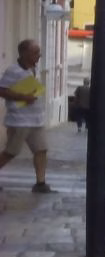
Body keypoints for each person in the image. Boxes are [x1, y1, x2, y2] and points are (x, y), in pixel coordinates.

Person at [0, 39, 54, 193]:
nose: (39, 55)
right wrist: (23, 97)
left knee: (41, 149)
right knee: (11, 152)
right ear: (24, 53)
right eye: (35, 52)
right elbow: (2, 90)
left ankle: (40, 183)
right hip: (19, 120)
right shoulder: (13, 71)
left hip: (36, 119)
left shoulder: (35, 69)